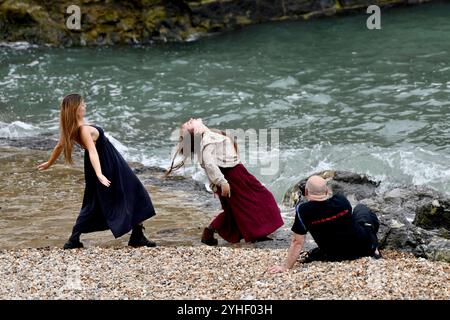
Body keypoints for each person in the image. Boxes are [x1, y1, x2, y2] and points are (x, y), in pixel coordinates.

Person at [37, 93, 156, 249]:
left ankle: (135, 235)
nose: (85, 106)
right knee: (135, 191)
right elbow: (92, 151)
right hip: (109, 164)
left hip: (105, 163)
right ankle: (135, 237)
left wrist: (49, 163)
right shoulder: (83, 130)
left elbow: (59, 146)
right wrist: (100, 174)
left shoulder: (72, 129)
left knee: (95, 201)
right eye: (83, 104)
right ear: (76, 108)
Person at [165, 118, 284, 245]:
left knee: (233, 210)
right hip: (234, 178)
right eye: (189, 123)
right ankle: (257, 233)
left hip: (234, 176)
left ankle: (210, 232)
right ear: (195, 131)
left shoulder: (209, 136)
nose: (191, 119)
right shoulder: (207, 140)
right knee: (261, 199)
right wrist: (222, 182)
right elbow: (209, 164)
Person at [268, 175, 380, 273]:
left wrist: (285, 267)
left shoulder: (303, 211)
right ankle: (375, 248)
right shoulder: (341, 200)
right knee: (361, 209)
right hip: (364, 248)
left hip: (333, 254)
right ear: (326, 191)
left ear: (306, 192)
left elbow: (297, 241)